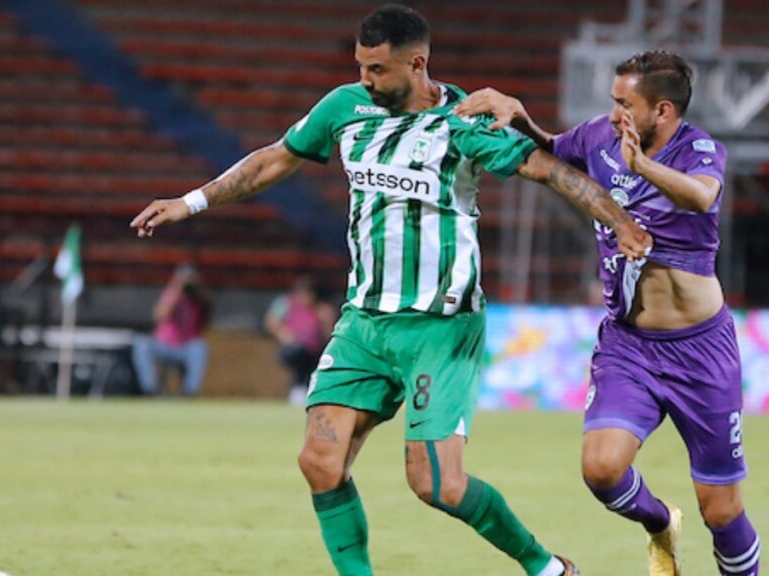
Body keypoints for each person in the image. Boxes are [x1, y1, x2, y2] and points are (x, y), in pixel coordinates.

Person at [131, 5, 651, 575]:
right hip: (365, 323)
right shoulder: (345, 109)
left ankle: (548, 568)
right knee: (320, 461)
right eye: (360, 66)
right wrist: (191, 202)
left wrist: (619, 220)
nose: (365, 80)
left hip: (440, 326)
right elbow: (275, 160)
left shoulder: (462, 121)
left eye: (377, 69)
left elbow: (549, 171)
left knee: (437, 485)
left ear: (417, 63)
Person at [455, 50, 759, 576]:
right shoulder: (599, 136)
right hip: (629, 345)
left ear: (662, 111)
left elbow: (702, 197)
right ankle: (661, 521)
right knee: (601, 469)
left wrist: (643, 166)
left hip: (701, 351)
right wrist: (519, 114)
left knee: (723, 509)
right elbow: (550, 150)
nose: (615, 112)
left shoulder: (700, 151)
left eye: (626, 103)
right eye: (614, 101)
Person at [131, 264, 211, 397]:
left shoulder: (199, 298)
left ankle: (190, 392)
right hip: (163, 345)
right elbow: (158, 316)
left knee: (200, 348)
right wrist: (176, 292)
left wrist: (196, 291)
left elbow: (208, 314)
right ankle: (150, 389)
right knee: (141, 344)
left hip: (185, 347)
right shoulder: (170, 294)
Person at [264, 276, 336, 405]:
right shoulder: (286, 303)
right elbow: (271, 321)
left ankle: (310, 391)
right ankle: (298, 390)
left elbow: (329, 333)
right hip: (294, 348)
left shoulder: (321, 309)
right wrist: (284, 334)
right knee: (300, 355)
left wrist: (325, 322)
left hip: (315, 349)